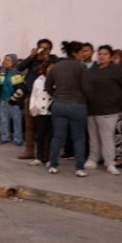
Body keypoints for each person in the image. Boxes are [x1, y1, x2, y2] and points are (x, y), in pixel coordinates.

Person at [84, 45, 122, 175]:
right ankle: (93, 159)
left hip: (109, 110)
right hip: (91, 109)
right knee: (93, 136)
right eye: (100, 53)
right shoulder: (93, 69)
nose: (101, 56)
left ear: (111, 56)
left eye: (105, 54)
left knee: (107, 137)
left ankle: (109, 163)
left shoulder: (117, 70)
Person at [45, 41, 90, 177]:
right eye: (82, 51)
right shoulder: (81, 68)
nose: (83, 54)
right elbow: (86, 88)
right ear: (75, 53)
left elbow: (48, 86)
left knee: (58, 136)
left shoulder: (56, 67)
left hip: (59, 105)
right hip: (77, 105)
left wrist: (56, 96)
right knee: (79, 138)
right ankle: (79, 168)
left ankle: (53, 165)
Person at [16, 39, 57, 159]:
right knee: (29, 125)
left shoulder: (53, 59)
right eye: (41, 48)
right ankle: (29, 150)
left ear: (50, 49)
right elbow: (19, 67)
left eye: (46, 48)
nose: (43, 50)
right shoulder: (32, 59)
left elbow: (57, 69)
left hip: (47, 98)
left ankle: (44, 152)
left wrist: (47, 58)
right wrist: (31, 56)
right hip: (31, 96)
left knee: (45, 127)